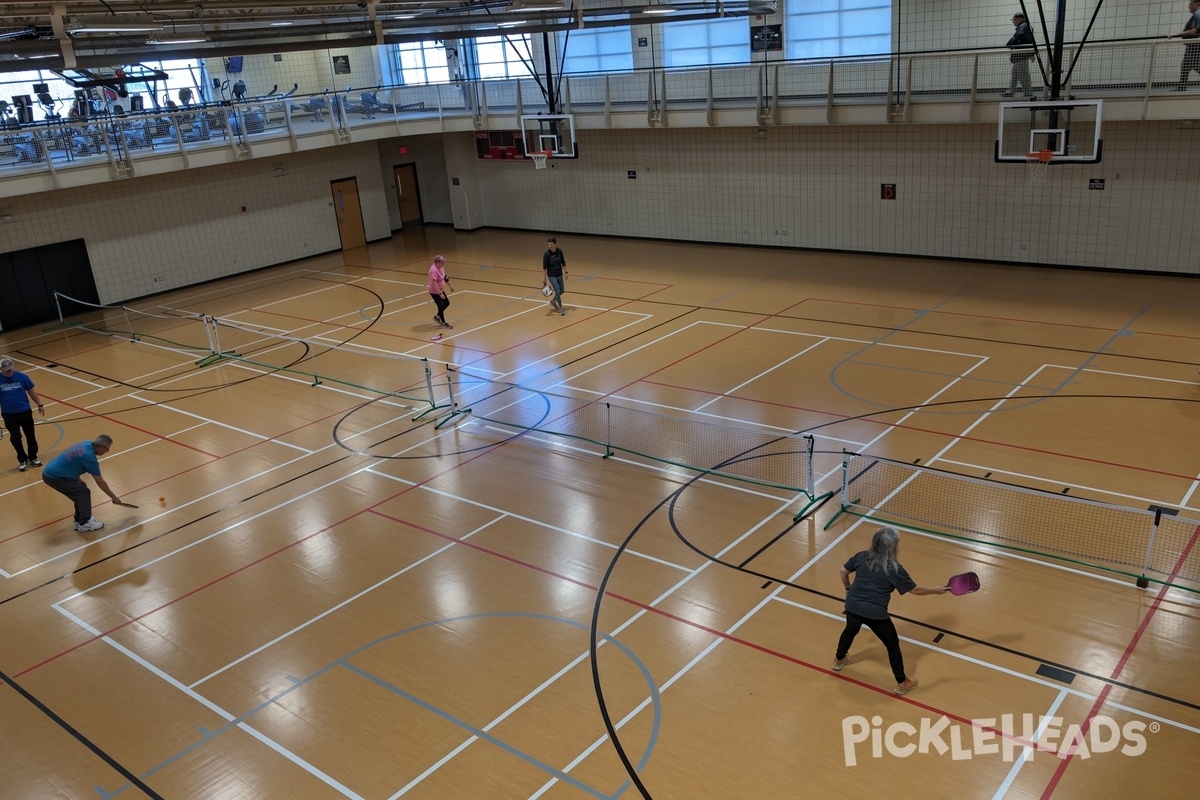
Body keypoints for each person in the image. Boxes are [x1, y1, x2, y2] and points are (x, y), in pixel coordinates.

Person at [832, 527, 948, 695]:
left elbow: (843, 571)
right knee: (892, 645)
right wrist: (935, 590)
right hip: (875, 613)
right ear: (893, 547)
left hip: (852, 605)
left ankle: (839, 659)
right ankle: (902, 682)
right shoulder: (895, 568)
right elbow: (916, 590)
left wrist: (848, 589)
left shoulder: (861, 556)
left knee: (850, 630)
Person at [41, 434, 122, 533]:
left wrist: (77, 479)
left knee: (80, 490)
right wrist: (113, 497)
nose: (107, 451)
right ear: (101, 447)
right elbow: (100, 481)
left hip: (52, 471)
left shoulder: (86, 443)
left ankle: (78, 520)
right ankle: (84, 524)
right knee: (83, 492)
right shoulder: (90, 457)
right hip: (55, 477)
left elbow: (71, 460)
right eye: (107, 449)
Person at [0, 356, 45, 471]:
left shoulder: (22, 377)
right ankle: (22, 459)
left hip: (25, 412)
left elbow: (31, 391)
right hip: (9, 415)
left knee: (30, 436)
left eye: (10, 369)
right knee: (15, 438)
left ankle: (33, 457)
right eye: (6, 370)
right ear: (1, 369)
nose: (9, 372)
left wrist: (40, 404)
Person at [1002, 12, 1036, 97]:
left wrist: (1010, 43)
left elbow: (1018, 36)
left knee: (1023, 75)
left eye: (1014, 20)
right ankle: (1010, 92)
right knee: (1015, 75)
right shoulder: (1026, 26)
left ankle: (1028, 93)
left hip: (1021, 55)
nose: (1013, 22)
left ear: (1019, 19)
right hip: (1020, 55)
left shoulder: (1023, 27)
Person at [1169, 1, 1200, 91]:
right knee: (1186, 65)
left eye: (1189, 5)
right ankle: (1182, 86)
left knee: (1191, 64)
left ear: (1196, 4)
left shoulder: (1197, 14)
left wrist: (1176, 34)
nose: (1189, 7)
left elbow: (1193, 31)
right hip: (1193, 45)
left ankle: (1182, 86)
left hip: (1194, 46)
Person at [427, 255, 454, 333]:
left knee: (447, 303)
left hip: (441, 290)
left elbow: (445, 277)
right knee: (441, 305)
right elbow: (433, 284)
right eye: (442, 262)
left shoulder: (441, 267)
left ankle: (437, 316)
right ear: (437, 262)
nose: (443, 264)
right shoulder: (433, 270)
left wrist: (450, 286)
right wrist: (440, 293)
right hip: (434, 291)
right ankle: (443, 322)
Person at [542, 236, 568, 316]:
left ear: (555, 244)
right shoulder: (546, 254)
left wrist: (566, 272)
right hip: (551, 275)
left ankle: (553, 301)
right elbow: (544, 267)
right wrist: (544, 279)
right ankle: (561, 308)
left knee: (562, 290)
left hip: (559, 274)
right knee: (557, 290)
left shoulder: (559, 251)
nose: (550, 246)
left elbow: (563, 262)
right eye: (548, 244)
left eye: (551, 244)